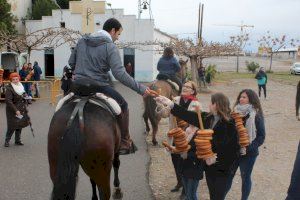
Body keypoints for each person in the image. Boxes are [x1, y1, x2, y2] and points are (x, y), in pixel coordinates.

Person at [68, 18, 152, 155]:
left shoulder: (82, 41)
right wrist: (141, 89)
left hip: (77, 85)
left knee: (62, 104)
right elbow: (119, 74)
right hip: (98, 86)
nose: (117, 38)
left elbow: (71, 62)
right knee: (123, 105)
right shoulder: (110, 46)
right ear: (112, 30)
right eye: (118, 34)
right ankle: (125, 141)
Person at [155, 93, 240, 200]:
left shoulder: (230, 124)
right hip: (210, 169)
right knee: (213, 194)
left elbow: (233, 151)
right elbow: (188, 115)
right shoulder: (208, 118)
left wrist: (216, 159)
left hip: (223, 170)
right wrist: (171, 104)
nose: (209, 105)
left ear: (217, 105)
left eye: (211, 103)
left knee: (218, 196)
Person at [230, 89, 266, 200]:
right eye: (240, 97)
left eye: (244, 97)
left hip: (249, 153)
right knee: (228, 176)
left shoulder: (256, 114)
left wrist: (248, 147)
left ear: (251, 99)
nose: (241, 99)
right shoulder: (233, 113)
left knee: (245, 177)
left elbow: (261, 136)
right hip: (233, 151)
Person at [167, 81, 200, 197]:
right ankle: (179, 182)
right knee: (175, 161)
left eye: (188, 87)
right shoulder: (175, 99)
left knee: (184, 162)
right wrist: (161, 106)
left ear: (193, 91)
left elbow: (196, 122)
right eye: (184, 86)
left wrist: (186, 125)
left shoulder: (196, 104)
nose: (184, 88)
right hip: (174, 135)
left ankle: (185, 190)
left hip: (186, 137)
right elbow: (165, 113)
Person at [4, 73, 28, 147]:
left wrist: (26, 96)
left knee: (19, 124)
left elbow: (23, 94)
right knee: (12, 125)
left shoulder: (20, 86)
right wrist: (16, 110)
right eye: (13, 79)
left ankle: (17, 140)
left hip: (20, 108)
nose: (15, 80)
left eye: (16, 79)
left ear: (19, 79)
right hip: (12, 110)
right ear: (11, 80)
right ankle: (7, 141)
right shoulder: (9, 88)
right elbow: (8, 101)